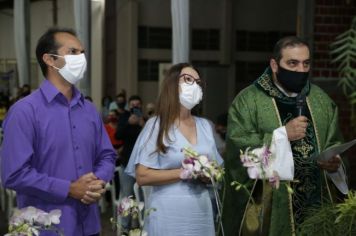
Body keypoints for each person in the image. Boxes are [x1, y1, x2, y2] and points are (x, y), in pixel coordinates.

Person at [221, 36, 348, 236]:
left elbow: (335, 144)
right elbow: (238, 152)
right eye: (292, 63)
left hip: (317, 210)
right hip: (272, 212)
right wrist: (282, 135)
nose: (300, 70)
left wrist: (335, 165)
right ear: (274, 64)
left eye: (306, 64)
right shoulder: (248, 101)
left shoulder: (321, 101)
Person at [0, 28, 116, 236]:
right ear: (50, 60)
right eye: (73, 52)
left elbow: (107, 154)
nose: (81, 58)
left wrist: (96, 182)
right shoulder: (25, 112)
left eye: (82, 52)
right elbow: (14, 174)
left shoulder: (89, 110)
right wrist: (69, 189)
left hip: (89, 225)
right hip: (45, 228)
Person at [125, 63, 223, 236]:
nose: (194, 86)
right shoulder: (157, 125)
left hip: (201, 210)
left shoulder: (206, 126)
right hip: (167, 212)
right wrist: (184, 172)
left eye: (198, 82)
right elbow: (142, 175)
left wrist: (209, 175)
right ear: (172, 85)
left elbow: (218, 170)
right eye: (188, 80)